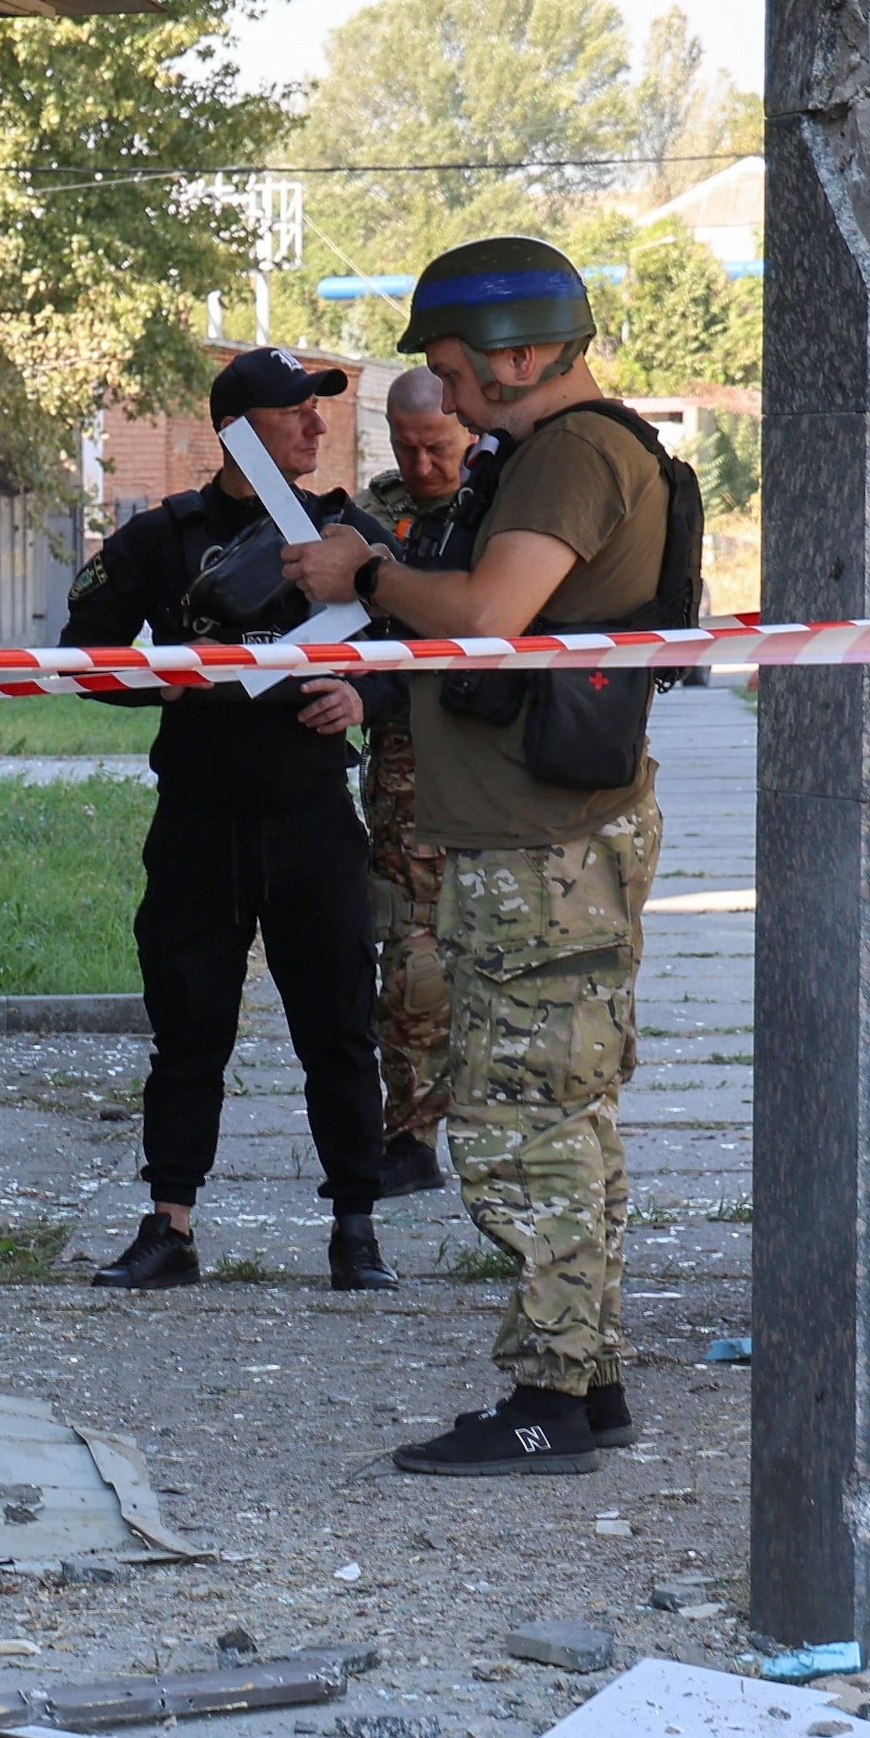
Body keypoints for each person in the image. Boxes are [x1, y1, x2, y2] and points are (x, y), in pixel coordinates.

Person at [281, 236, 678, 1475]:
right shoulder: (559, 451)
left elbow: (486, 616)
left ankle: (548, 1398)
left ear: (517, 356)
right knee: (567, 1112)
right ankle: (586, 1375)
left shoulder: (572, 455)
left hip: (536, 846)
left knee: (518, 1121)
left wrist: (369, 570)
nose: (441, 398)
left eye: (451, 371)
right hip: (543, 835)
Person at [56, 347, 396, 1294]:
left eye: (318, 412)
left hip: (313, 816)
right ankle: (170, 1227)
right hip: (201, 818)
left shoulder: (346, 537)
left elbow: (433, 650)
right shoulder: (166, 536)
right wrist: (187, 678)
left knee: (338, 1027)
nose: (318, 427)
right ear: (242, 428)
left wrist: (366, 697)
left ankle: (355, 1230)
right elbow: (80, 658)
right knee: (189, 1026)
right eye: (298, 412)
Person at [354, 366, 481, 1198]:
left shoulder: (502, 508)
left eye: (438, 445)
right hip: (402, 772)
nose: (425, 463)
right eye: (410, 447)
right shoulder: (374, 515)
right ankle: (408, 1133)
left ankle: (501, 1125)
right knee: (410, 957)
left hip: (488, 762)